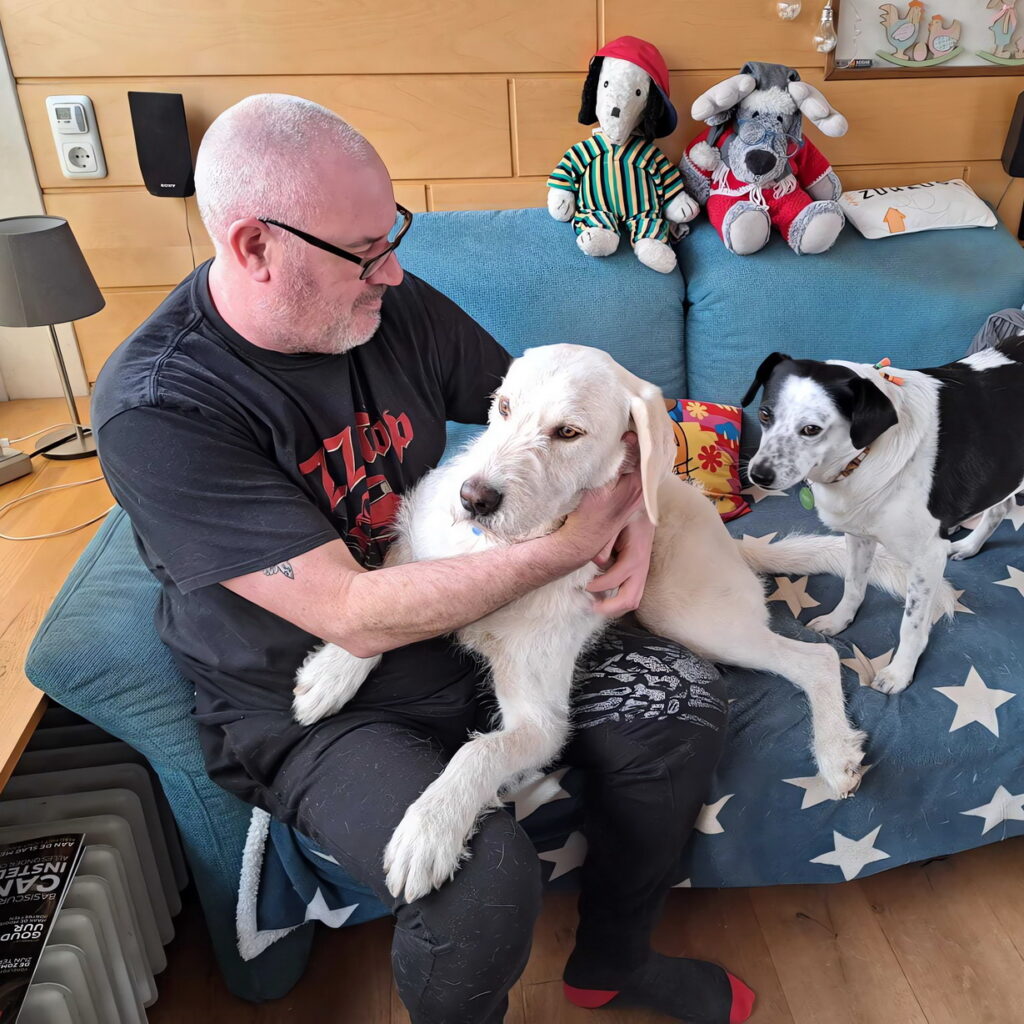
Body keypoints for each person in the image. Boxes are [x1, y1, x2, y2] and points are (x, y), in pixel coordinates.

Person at [91, 94, 753, 1024]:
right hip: (313, 688)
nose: (395, 270)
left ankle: (615, 959)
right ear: (256, 248)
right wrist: (574, 543)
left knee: (682, 704)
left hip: (481, 606)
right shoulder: (163, 406)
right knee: (478, 889)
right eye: (366, 251)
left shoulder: (382, 305)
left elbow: (556, 411)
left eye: (391, 233)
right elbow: (350, 615)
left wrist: (636, 514)